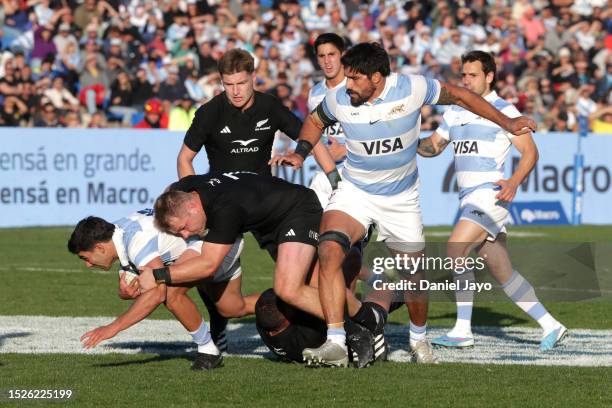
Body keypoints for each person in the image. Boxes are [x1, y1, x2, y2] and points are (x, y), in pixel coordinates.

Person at [273, 42, 536, 367]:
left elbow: (463, 96)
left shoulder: (413, 87)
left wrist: (507, 124)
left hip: (400, 199)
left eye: (355, 79)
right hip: (355, 191)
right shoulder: (339, 97)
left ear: (377, 78)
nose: (348, 85)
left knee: (414, 278)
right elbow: (314, 121)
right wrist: (299, 153)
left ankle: (418, 339)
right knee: (329, 249)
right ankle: (337, 341)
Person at [137, 172, 377, 368]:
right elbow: (169, 191)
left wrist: (158, 275)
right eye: (179, 233)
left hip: (298, 211)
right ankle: (369, 321)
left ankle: (357, 331)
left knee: (288, 289)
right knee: (316, 288)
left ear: (191, 206)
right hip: (270, 223)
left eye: (184, 228)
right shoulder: (186, 189)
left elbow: (208, 265)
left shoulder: (224, 209)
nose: (186, 235)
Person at [416, 50, 567, 350]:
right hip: (469, 198)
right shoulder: (455, 111)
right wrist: (405, 143)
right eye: (463, 75)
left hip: (490, 195)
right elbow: (433, 147)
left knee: (456, 247)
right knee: (503, 272)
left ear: (489, 76)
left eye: (473, 75)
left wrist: (513, 181)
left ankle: (462, 330)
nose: (466, 81)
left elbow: (531, 153)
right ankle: (552, 324)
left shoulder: (503, 110)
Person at [68, 210, 255, 371]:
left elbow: (157, 293)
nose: (88, 264)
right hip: (215, 239)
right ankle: (280, 299)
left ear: (99, 247)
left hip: (215, 245)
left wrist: (112, 328)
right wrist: (124, 293)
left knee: (170, 294)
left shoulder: (135, 241)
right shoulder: (117, 230)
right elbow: (135, 276)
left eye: (86, 257)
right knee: (232, 308)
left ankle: (208, 351)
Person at [176, 48, 303, 177]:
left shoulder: (270, 106)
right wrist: (192, 192)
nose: (236, 92)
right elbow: (184, 159)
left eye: (241, 83)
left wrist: (300, 154)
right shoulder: (208, 112)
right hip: (223, 193)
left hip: (263, 192)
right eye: (229, 85)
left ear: (253, 77)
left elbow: (310, 138)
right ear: (221, 81)